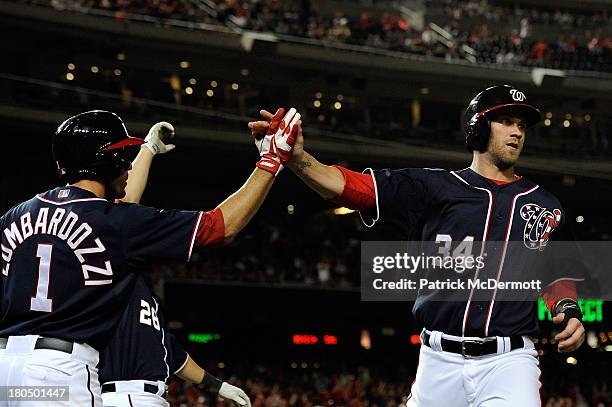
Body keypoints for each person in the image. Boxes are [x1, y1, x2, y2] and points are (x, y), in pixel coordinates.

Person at [250, 85, 586, 407]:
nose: (517, 132)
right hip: (438, 359)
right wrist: (298, 159)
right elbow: (354, 188)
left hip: (510, 362)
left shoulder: (544, 203)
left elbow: (556, 271)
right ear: (478, 128)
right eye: (506, 121)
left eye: (522, 125)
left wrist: (567, 309)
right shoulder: (435, 187)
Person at [0, 107, 300, 406]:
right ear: (107, 161)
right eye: (124, 157)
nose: (128, 166)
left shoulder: (14, 216)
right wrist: (270, 161)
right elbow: (221, 227)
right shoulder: (116, 222)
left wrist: (148, 150)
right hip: (58, 372)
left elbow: (113, 209)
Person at [99, 121, 250, 407]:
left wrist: (218, 386)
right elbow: (124, 204)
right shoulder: (107, 279)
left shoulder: (137, 292)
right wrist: (147, 150)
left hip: (146, 396)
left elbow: (171, 354)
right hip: (122, 394)